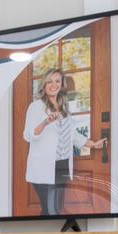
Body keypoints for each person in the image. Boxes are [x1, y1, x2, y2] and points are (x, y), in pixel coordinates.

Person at [21, 68, 105, 218]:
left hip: (62, 165)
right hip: (44, 167)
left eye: (57, 81)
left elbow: (72, 134)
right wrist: (46, 122)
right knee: (51, 211)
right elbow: (28, 135)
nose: (53, 85)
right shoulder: (36, 106)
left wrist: (93, 144)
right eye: (49, 81)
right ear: (44, 85)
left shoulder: (64, 108)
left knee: (54, 209)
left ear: (62, 85)